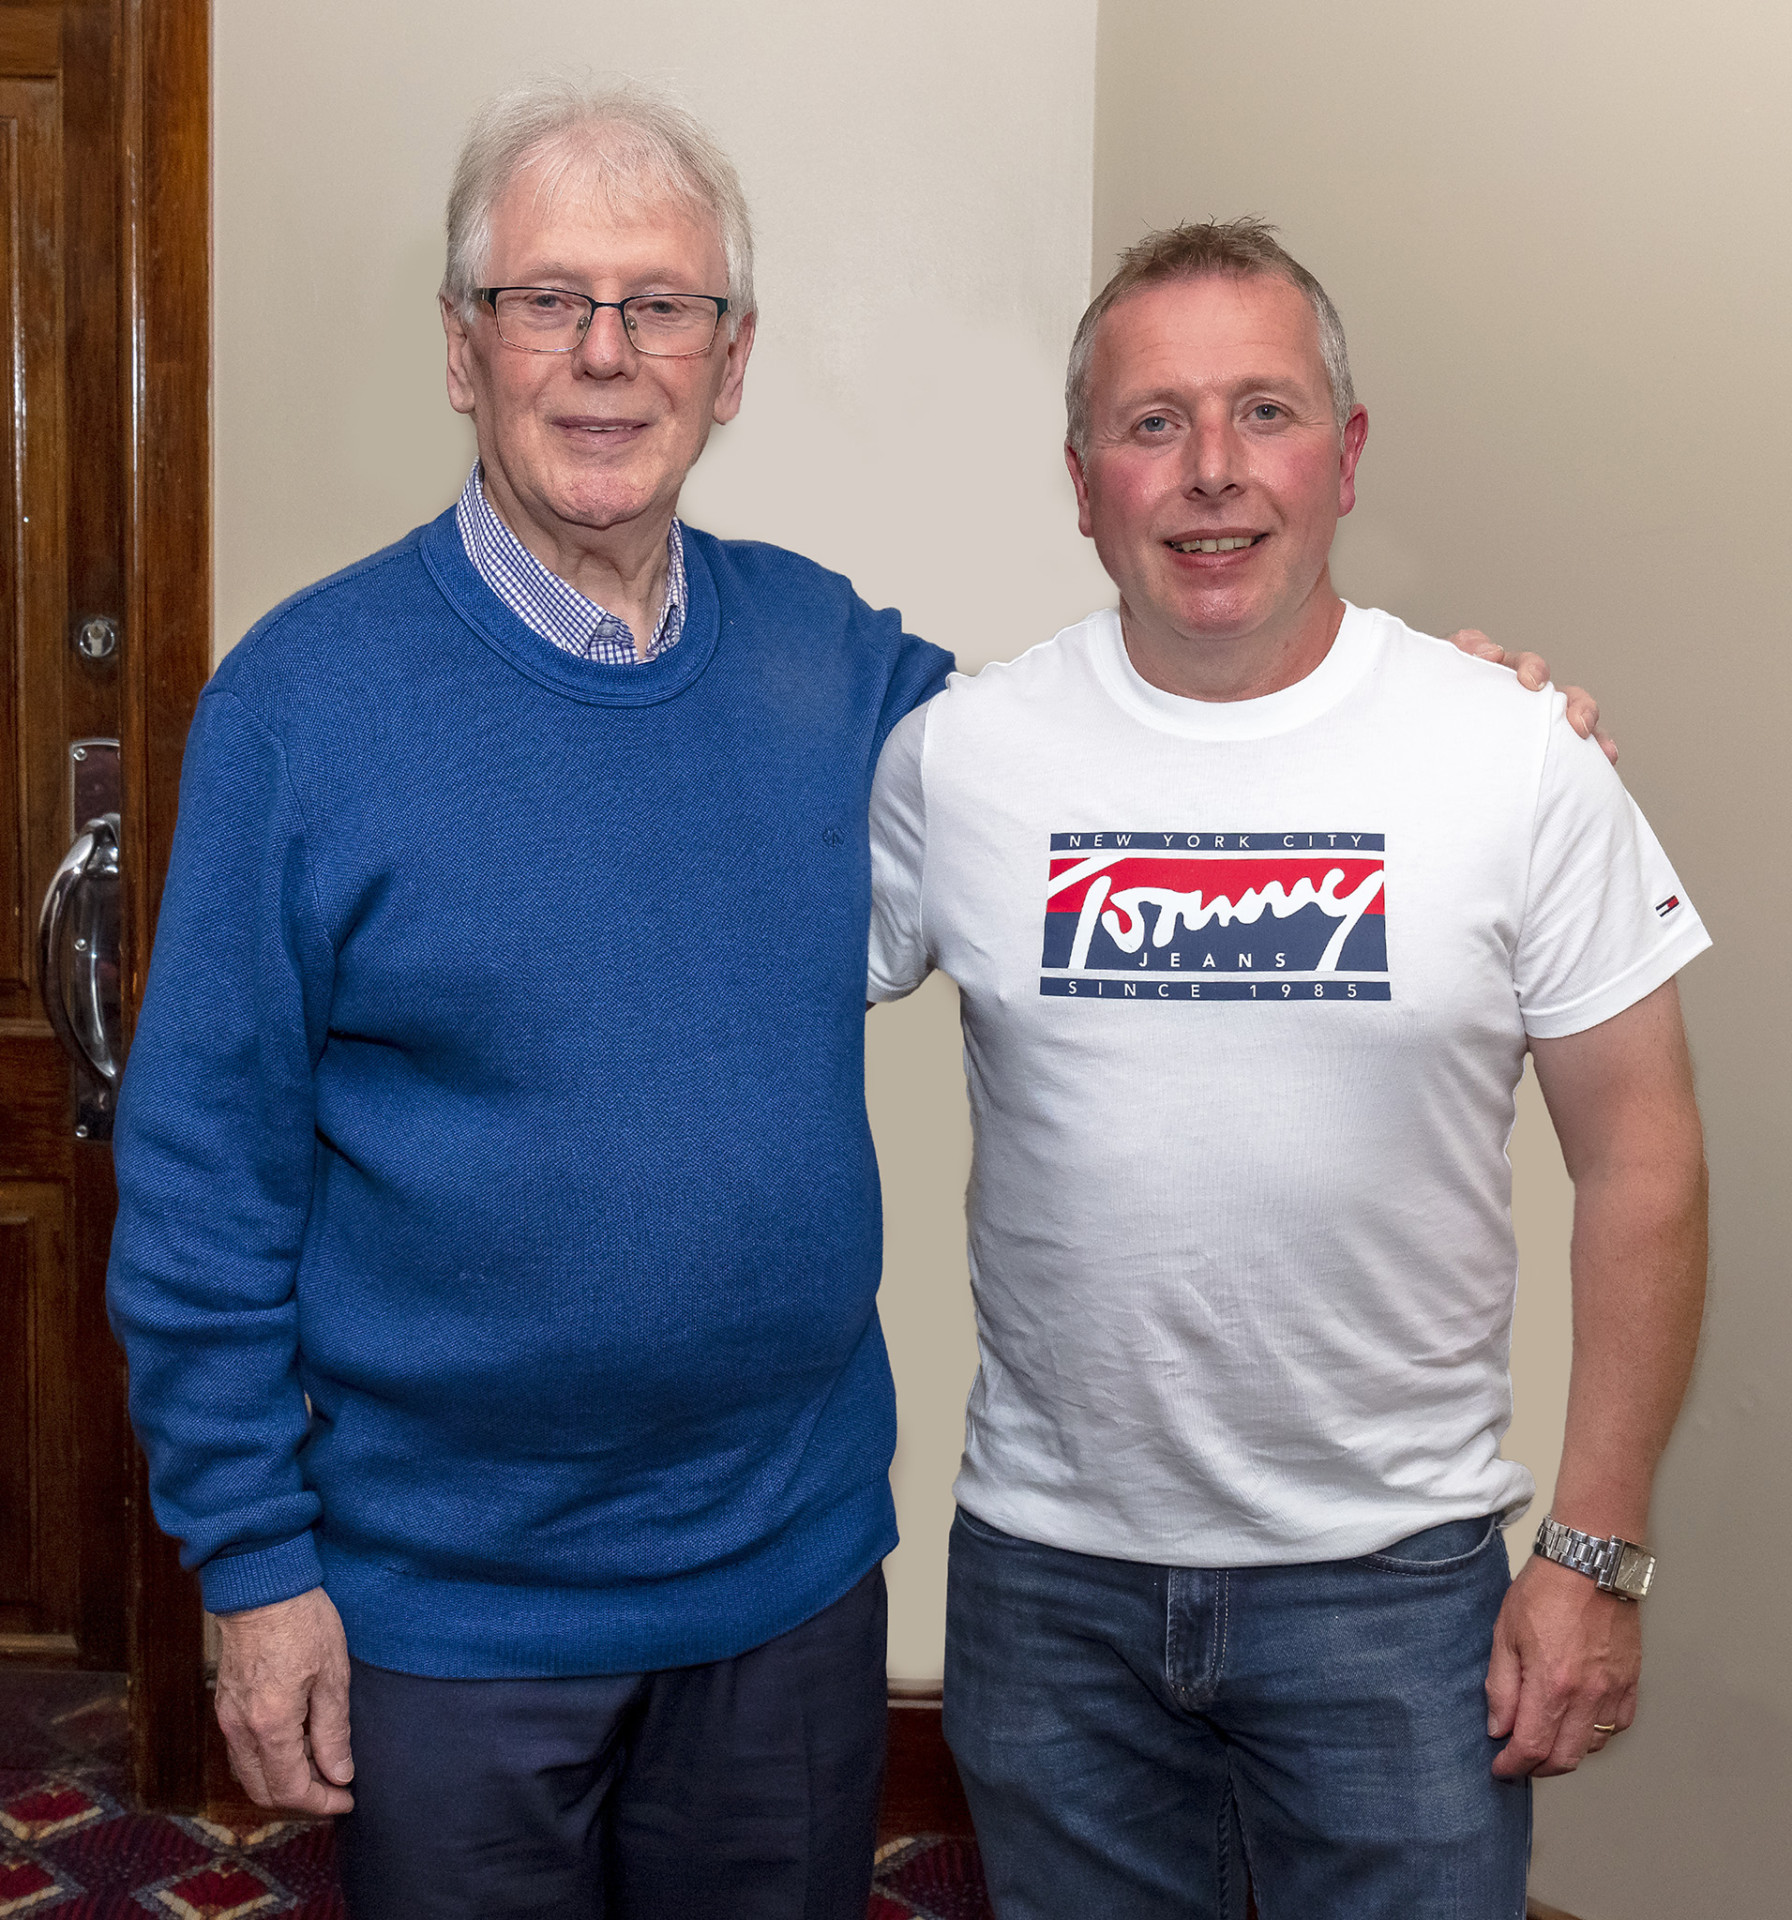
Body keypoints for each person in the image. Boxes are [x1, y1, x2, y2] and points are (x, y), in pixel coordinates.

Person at [107, 82, 1598, 1916]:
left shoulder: (833, 663)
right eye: (546, 299)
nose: (604, 353)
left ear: (730, 362)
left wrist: (1424, 714)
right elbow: (202, 1178)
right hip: (450, 1609)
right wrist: (254, 1567)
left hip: (787, 1583)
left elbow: (1113, 755)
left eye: (662, 305)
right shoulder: (301, 705)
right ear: (460, 345)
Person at [866, 219, 1709, 1918]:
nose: (1212, 471)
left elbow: (1646, 1162)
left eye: (1265, 410)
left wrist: (1596, 1554)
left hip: (1393, 1595)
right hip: (1053, 1593)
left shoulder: (1513, 759)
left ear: (1346, 452)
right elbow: (726, 1005)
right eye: (1152, 422)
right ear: (1082, 480)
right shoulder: (958, 763)